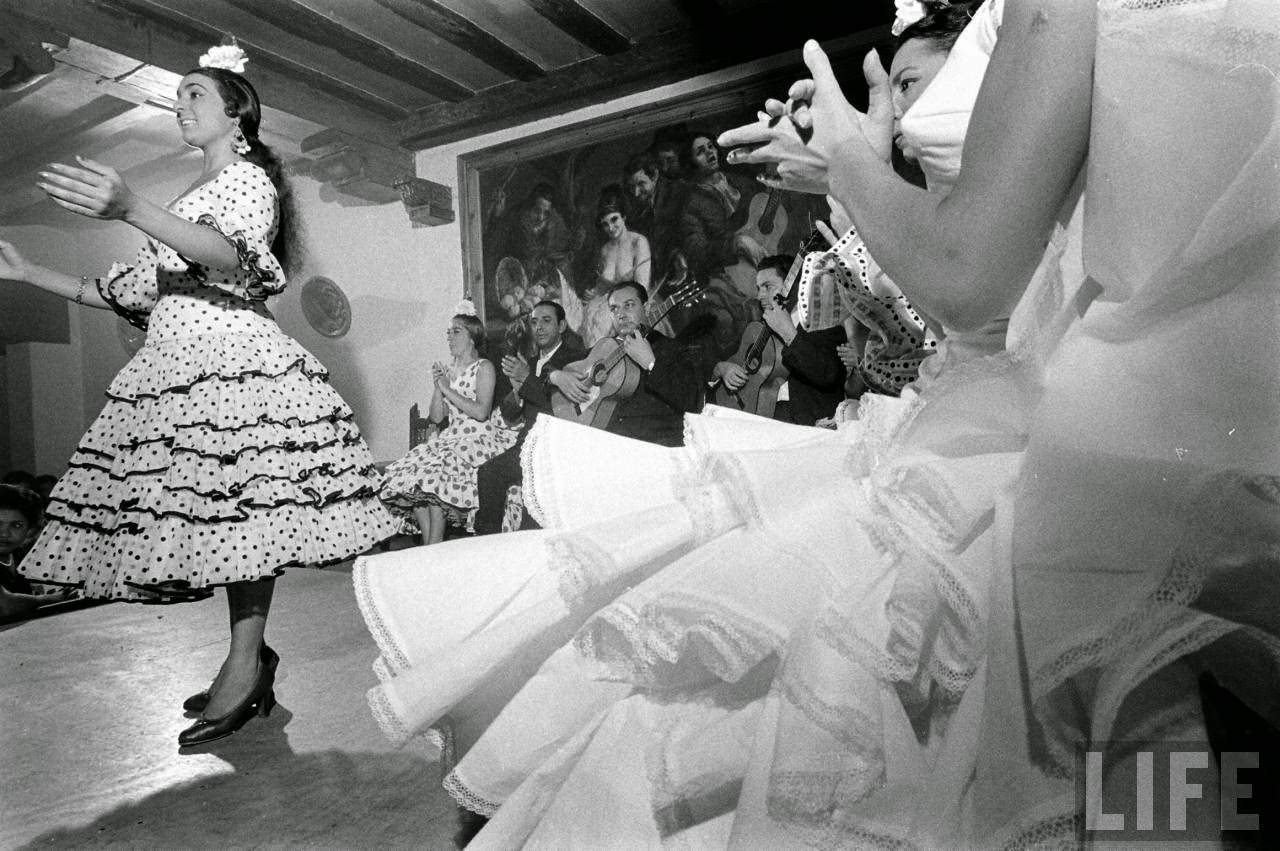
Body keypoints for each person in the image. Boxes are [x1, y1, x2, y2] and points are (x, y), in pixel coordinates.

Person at [356, 4, 1082, 844]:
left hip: (988, 429)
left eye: (921, 85)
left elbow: (956, 294)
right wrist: (850, 170)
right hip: (951, 407)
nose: (915, 113)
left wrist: (852, 162)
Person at [0, 45, 396, 747]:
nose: (179, 106)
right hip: (178, 357)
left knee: (244, 516)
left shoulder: (247, 182)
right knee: (217, 521)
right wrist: (33, 273)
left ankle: (246, 663)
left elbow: (232, 257)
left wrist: (130, 205)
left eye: (194, 95)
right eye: (176, 97)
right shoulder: (190, 199)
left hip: (233, 355)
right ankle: (247, 660)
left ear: (236, 112)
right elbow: (127, 291)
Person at [378, 309, 518, 545]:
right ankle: (430, 545)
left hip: (476, 438)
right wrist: (438, 386)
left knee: (435, 477)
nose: (449, 337)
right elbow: (435, 417)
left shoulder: (483, 368)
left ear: (472, 337)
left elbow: (481, 412)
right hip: (451, 436)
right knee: (414, 476)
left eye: (456, 331)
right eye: (448, 333)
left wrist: (447, 388)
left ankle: (433, 546)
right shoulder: (449, 371)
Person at [473, 300, 586, 535]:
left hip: (556, 450)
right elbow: (509, 413)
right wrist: (517, 391)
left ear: (562, 325)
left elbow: (561, 409)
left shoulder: (576, 359)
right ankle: (486, 544)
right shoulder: (530, 362)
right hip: (526, 446)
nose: (539, 328)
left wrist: (526, 380)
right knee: (488, 472)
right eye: (534, 322)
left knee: (531, 522)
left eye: (547, 321)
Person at [578, 188, 652, 346]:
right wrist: (593, 293)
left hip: (633, 304)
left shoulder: (638, 242)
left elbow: (641, 289)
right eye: (605, 224)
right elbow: (603, 287)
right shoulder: (604, 250)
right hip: (608, 305)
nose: (610, 228)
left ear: (624, 217)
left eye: (614, 220)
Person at [0, 484, 75, 624]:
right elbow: (4, 605)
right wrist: (51, 599)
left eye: (16, 525)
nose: (4, 533)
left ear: (29, 530)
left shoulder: (19, 554)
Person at [622, 151, 688, 283]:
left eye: (641, 184)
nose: (635, 193)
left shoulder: (679, 192)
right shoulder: (638, 214)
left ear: (655, 176)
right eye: (632, 187)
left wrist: (678, 253)